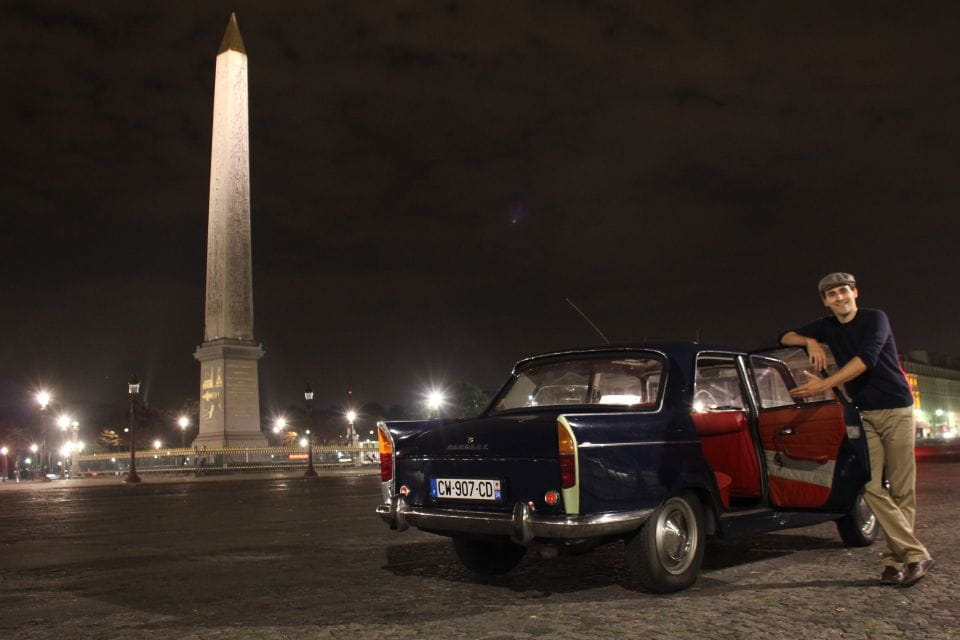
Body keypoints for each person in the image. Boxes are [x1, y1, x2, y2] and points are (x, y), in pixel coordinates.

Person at [780, 272, 933, 587]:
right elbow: (784, 336)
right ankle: (915, 554)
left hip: (897, 409)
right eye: (832, 294)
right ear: (826, 301)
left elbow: (866, 360)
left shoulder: (876, 319)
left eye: (843, 291)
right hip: (865, 414)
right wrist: (809, 340)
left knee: (902, 489)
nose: (839, 298)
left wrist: (824, 384)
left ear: (855, 293)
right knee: (868, 485)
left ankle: (894, 563)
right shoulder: (826, 326)